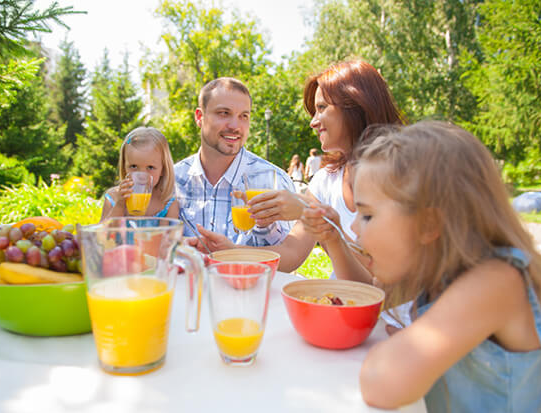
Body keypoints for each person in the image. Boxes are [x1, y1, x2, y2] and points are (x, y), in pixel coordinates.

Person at [303, 121, 541, 411]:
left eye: (368, 216)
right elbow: (369, 302)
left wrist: (404, 348)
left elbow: (380, 383)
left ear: (428, 224)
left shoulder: (496, 280)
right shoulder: (439, 274)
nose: (356, 229)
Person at [193, 60, 403, 277]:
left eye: (321, 108)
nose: (313, 122)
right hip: (346, 304)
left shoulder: (402, 172)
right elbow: (291, 252)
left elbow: (387, 274)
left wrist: (312, 215)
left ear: (357, 105)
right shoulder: (324, 181)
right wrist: (231, 251)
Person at [174, 77, 295, 246]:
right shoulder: (172, 180)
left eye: (243, 116)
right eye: (224, 113)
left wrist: (265, 224)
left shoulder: (275, 181)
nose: (235, 126)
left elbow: (286, 258)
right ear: (199, 117)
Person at [100, 127, 179, 221]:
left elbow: (170, 234)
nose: (141, 175)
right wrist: (120, 205)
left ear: (163, 169)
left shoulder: (167, 203)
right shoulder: (114, 197)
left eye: (150, 167)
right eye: (133, 166)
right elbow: (103, 232)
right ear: (124, 166)